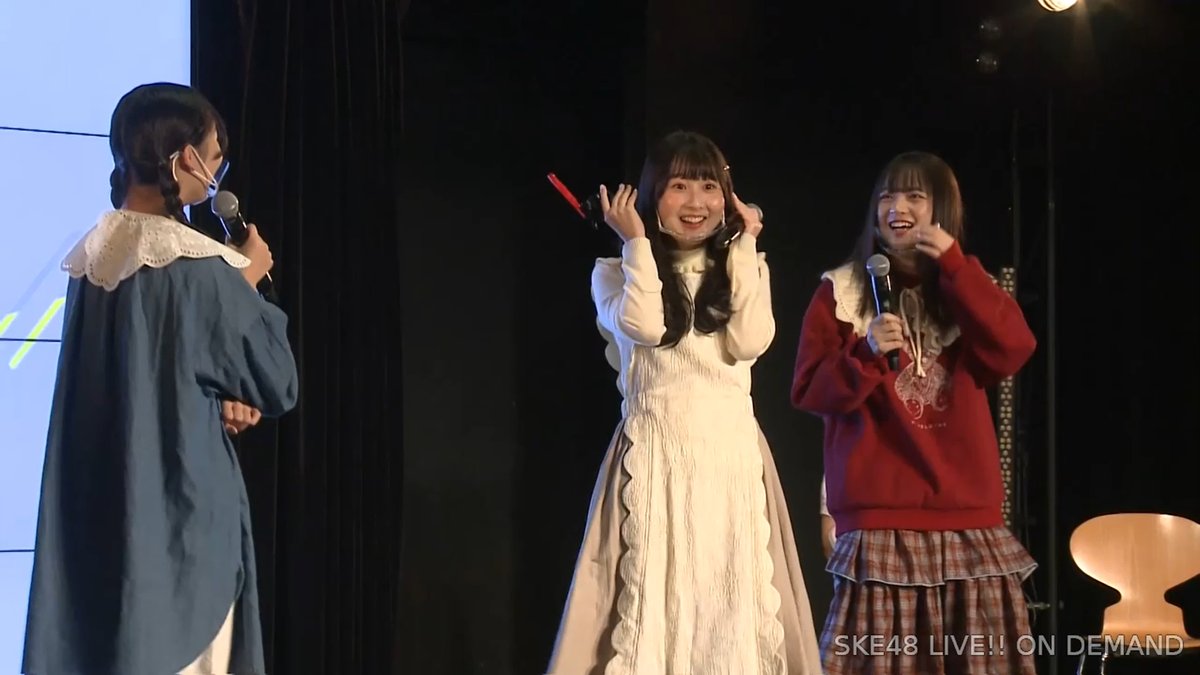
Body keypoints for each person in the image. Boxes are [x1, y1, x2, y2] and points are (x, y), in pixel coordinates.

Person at [22, 82, 298, 675]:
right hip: (178, 521)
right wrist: (249, 279)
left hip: (102, 514)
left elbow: (158, 368)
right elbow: (277, 379)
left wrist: (220, 395)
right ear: (185, 159)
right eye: (214, 157)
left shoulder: (94, 258)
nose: (217, 172)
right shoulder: (200, 268)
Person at [546, 130, 823, 675]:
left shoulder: (745, 266)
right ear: (652, 195)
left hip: (730, 460)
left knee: (734, 606)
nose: (696, 202)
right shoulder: (615, 272)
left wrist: (745, 242)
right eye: (679, 186)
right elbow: (645, 327)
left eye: (709, 187)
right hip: (653, 455)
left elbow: (750, 341)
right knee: (649, 604)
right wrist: (636, 243)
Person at [790, 150, 1039, 674]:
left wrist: (955, 266)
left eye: (913, 197)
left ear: (941, 210)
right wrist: (864, 355)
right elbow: (810, 391)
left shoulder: (964, 286)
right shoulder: (842, 291)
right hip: (880, 522)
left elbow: (1014, 347)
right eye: (886, 197)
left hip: (967, 520)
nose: (896, 208)